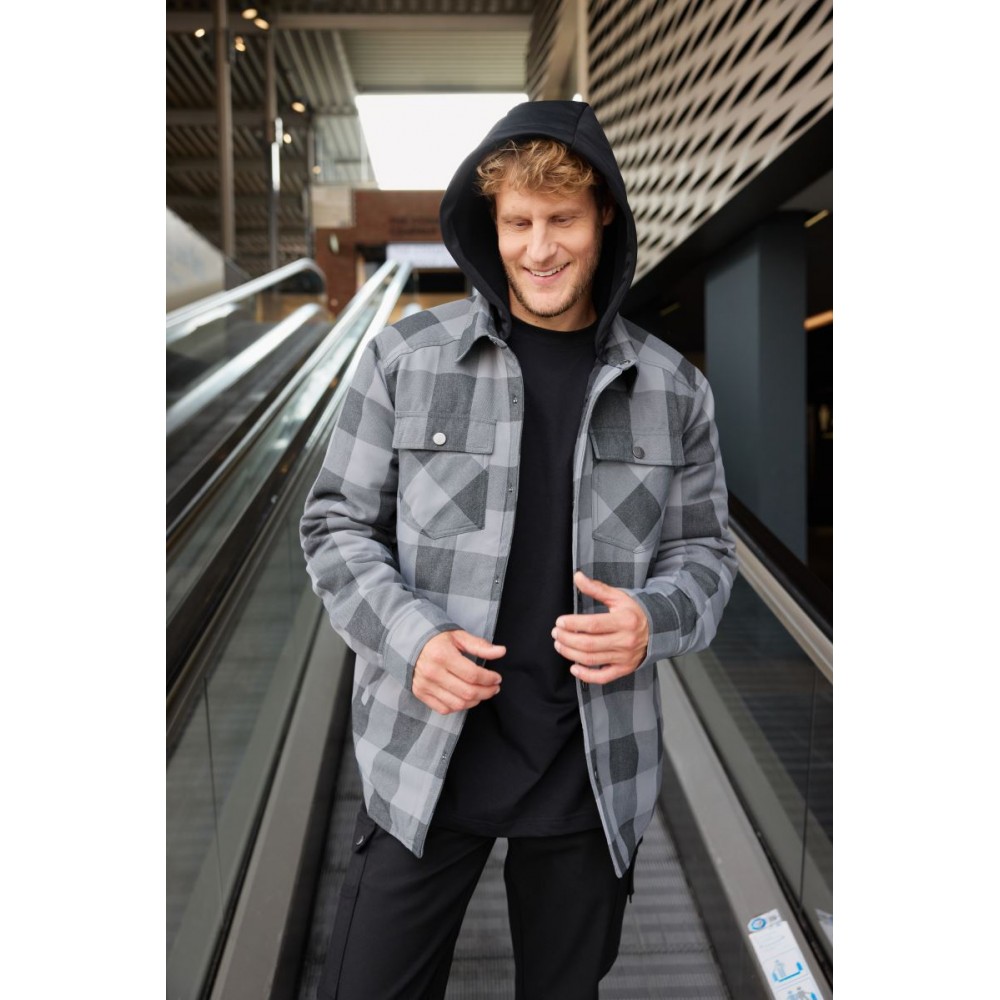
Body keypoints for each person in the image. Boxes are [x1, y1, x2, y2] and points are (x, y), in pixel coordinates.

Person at [300, 99, 737, 1000]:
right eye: (518, 223)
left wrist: (652, 620)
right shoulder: (403, 361)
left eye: (562, 220)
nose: (539, 249)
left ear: (603, 216)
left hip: (591, 770)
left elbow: (705, 553)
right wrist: (412, 639)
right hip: (423, 758)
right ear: (490, 226)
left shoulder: (675, 389)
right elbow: (335, 526)